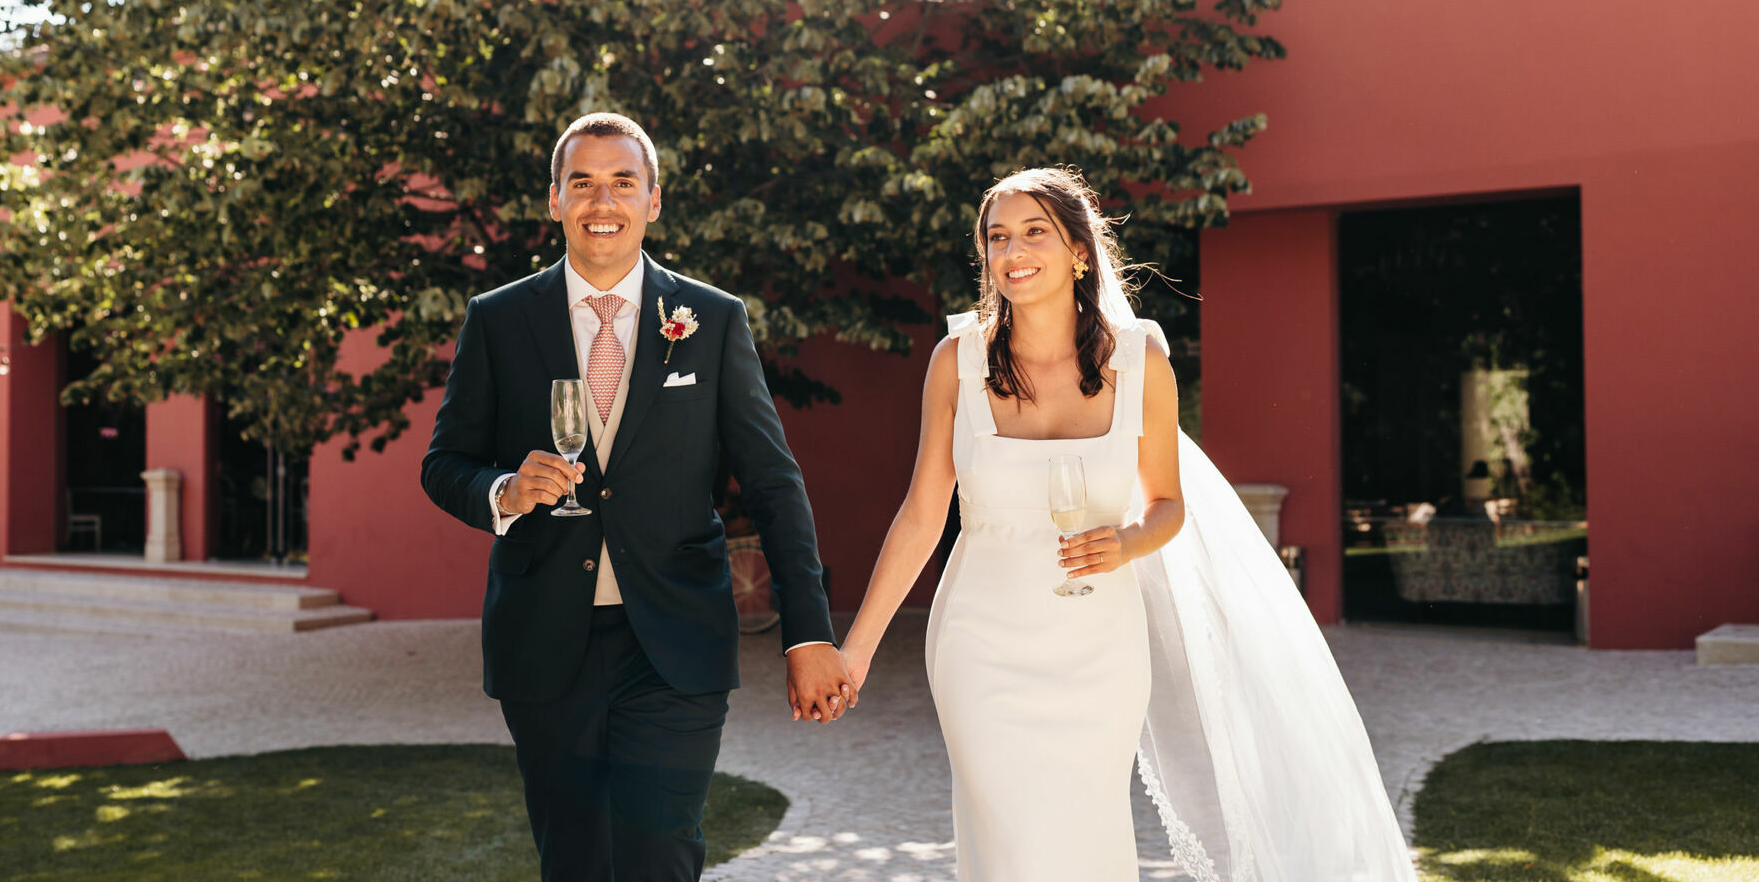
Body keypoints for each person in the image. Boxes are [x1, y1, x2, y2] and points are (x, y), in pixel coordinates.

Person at [841, 166, 1417, 882]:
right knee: (1007, 837)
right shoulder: (954, 364)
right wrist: (856, 653)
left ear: (1079, 251)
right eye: (996, 237)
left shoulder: (1140, 361)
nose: (1012, 252)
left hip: (1100, 648)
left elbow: (1168, 503)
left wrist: (1127, 543)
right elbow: (924, 514)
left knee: (1087, 834)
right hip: (979, 643)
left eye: (1033, 233)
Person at [422, 112, 855, 882]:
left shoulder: (714, 321)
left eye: (623, 183)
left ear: (654, 201)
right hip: (544, 642)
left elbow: (773, 482)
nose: (602, 202)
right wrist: (505, 490)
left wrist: (808, 634)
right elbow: (443, 463)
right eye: (582, 183)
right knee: (575, 860)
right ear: (553, 200)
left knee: (661, 853)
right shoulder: (497, 320)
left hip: (676, 641)